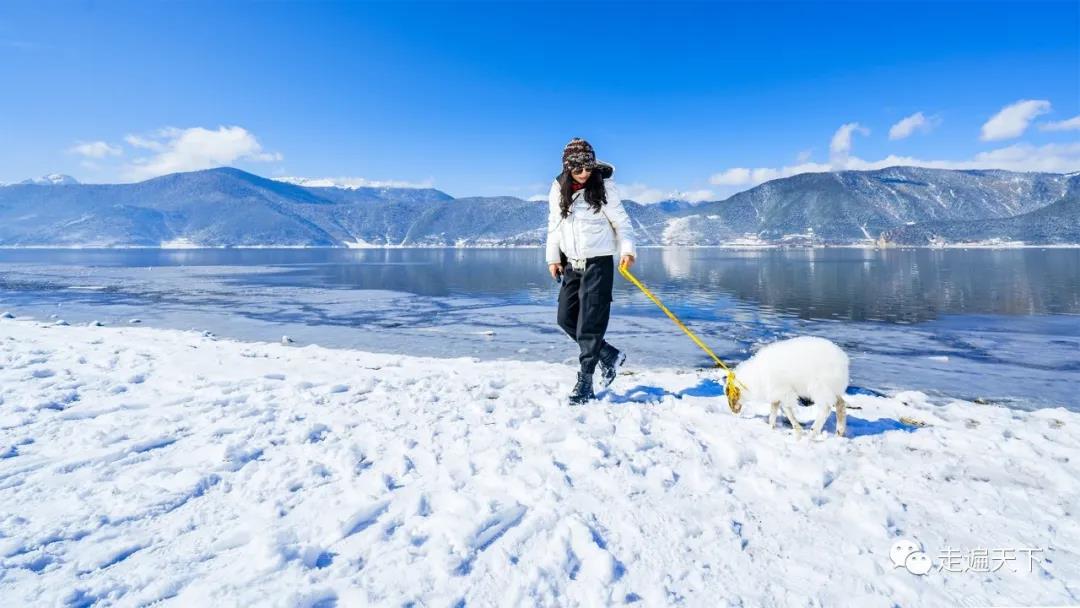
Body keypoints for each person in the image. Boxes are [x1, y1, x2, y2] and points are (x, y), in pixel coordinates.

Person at [545, 138, 636, 404]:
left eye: (588, 168)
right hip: (572, 263)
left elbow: (623, 223)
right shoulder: (558, 188)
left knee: (590, 325)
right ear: (567, 168)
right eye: (578, 170)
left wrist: (627, 251)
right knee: (565, 318)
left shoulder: (605, 187)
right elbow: (554, 224)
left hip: (599, 263)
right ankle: (608, 355)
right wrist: (553, 258)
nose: (584, 174)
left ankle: (585, 382)